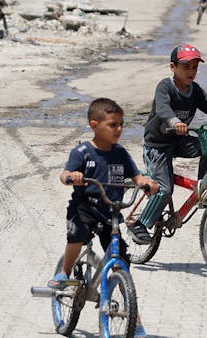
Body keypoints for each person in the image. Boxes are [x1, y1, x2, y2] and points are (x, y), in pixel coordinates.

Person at [130, 44, 207, 244]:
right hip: (157, 145)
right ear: (172, 67)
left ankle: (202, 191)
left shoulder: (195, 90)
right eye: (186, 67)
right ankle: (140, 224)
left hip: (179, 141)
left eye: (195, 67)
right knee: (165, 190)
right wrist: (174, 122)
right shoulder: (165, 87)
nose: (191, 71)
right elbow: (163, 109)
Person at [46, 97, 157, 289]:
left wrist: (146, 182)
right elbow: (64, 176)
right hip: (84, 209)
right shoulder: (82, 152)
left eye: (121, 125)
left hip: (110, 212)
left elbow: (137, 177)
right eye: (113, 125)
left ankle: (126, 299)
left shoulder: (120, 153)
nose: (119, 129)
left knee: (120, 255)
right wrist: (73, 176)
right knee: (77, 235)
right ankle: (64, 271)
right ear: (94, 125)